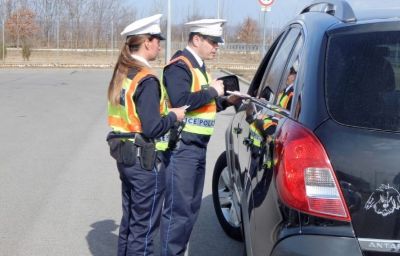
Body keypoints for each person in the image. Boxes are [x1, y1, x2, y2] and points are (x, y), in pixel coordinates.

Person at [106, 14, 186, 256]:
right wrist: (174, 116)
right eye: (157, 41)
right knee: (144, 231)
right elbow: (152, 127)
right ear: (147, 42)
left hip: (126, 158)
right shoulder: (147, 79)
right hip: (144, 163)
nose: (160, 46)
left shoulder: (124, 72)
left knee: (130, 225)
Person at [160, 18, 240, 256]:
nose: (216, 46)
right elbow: (180, 100)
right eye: (213, 41)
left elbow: (203, 105)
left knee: (190, 210)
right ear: (197, 39)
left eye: (217, 42)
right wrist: (211, 91)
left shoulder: (199, 67)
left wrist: (225, 100)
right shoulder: (179, 65)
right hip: (182, 148)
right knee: (178, 212)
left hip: (196, 148)